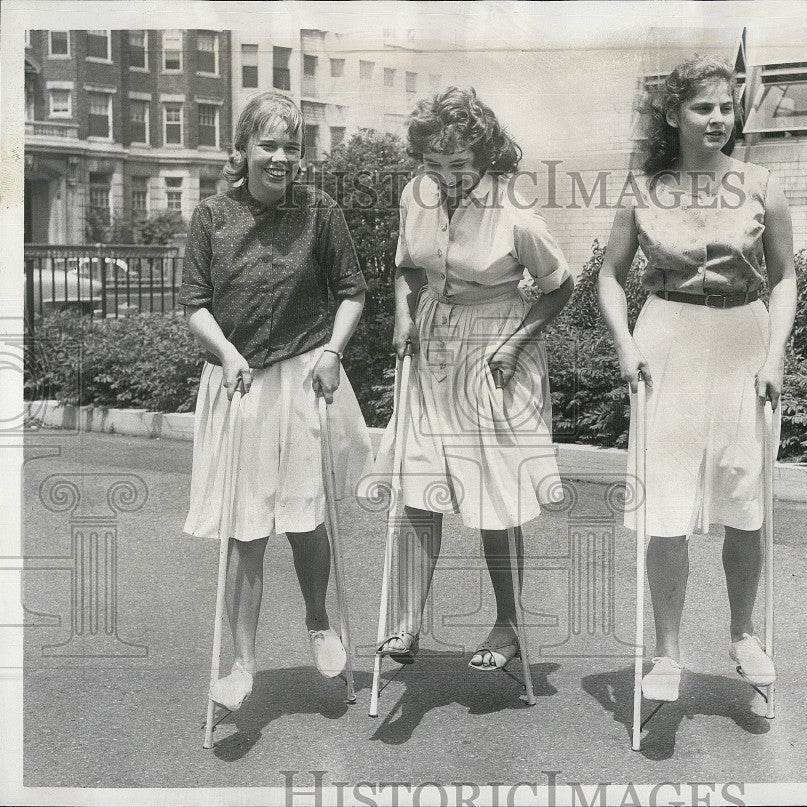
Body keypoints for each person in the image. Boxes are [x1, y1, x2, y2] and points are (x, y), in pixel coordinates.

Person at [597, 55, 797, 702]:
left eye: (725, 107)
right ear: (673, 114)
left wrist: (775, 356)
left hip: (745, 338)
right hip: (668, 342)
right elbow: (608, 275)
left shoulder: (762, 183)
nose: (717, 119)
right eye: (702, 107)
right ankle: (667, 654)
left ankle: (742, 634)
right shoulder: (644, 188)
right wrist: (625, 344)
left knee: (745, 496)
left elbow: (786, 276)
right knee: (667, 504)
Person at [181, 91, 373, 712]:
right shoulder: (212, 216)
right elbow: (194, 304)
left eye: (291, 146)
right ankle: (242, 664)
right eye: (268, 144)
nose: (281, 156)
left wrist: (333, 352)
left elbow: (351, 292)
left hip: (303, 375)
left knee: (305, 514)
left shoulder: (320, 211)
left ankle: (320, 624)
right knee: (245, 529)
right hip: (238, 380)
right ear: (242, 150)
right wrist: (229, 353)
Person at [371, 87, 574, 671]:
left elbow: (559, 286)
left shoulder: (516, 211)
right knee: (421, 483)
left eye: (458, 165)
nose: (445, 177)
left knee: (494, 496)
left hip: (494, 348)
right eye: (433, 165)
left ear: (485, 157)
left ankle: (507, 625)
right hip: (434, 344)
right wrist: (406, 316)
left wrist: (514, 346)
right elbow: (409, 265)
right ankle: (407, 622)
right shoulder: (418, 195)